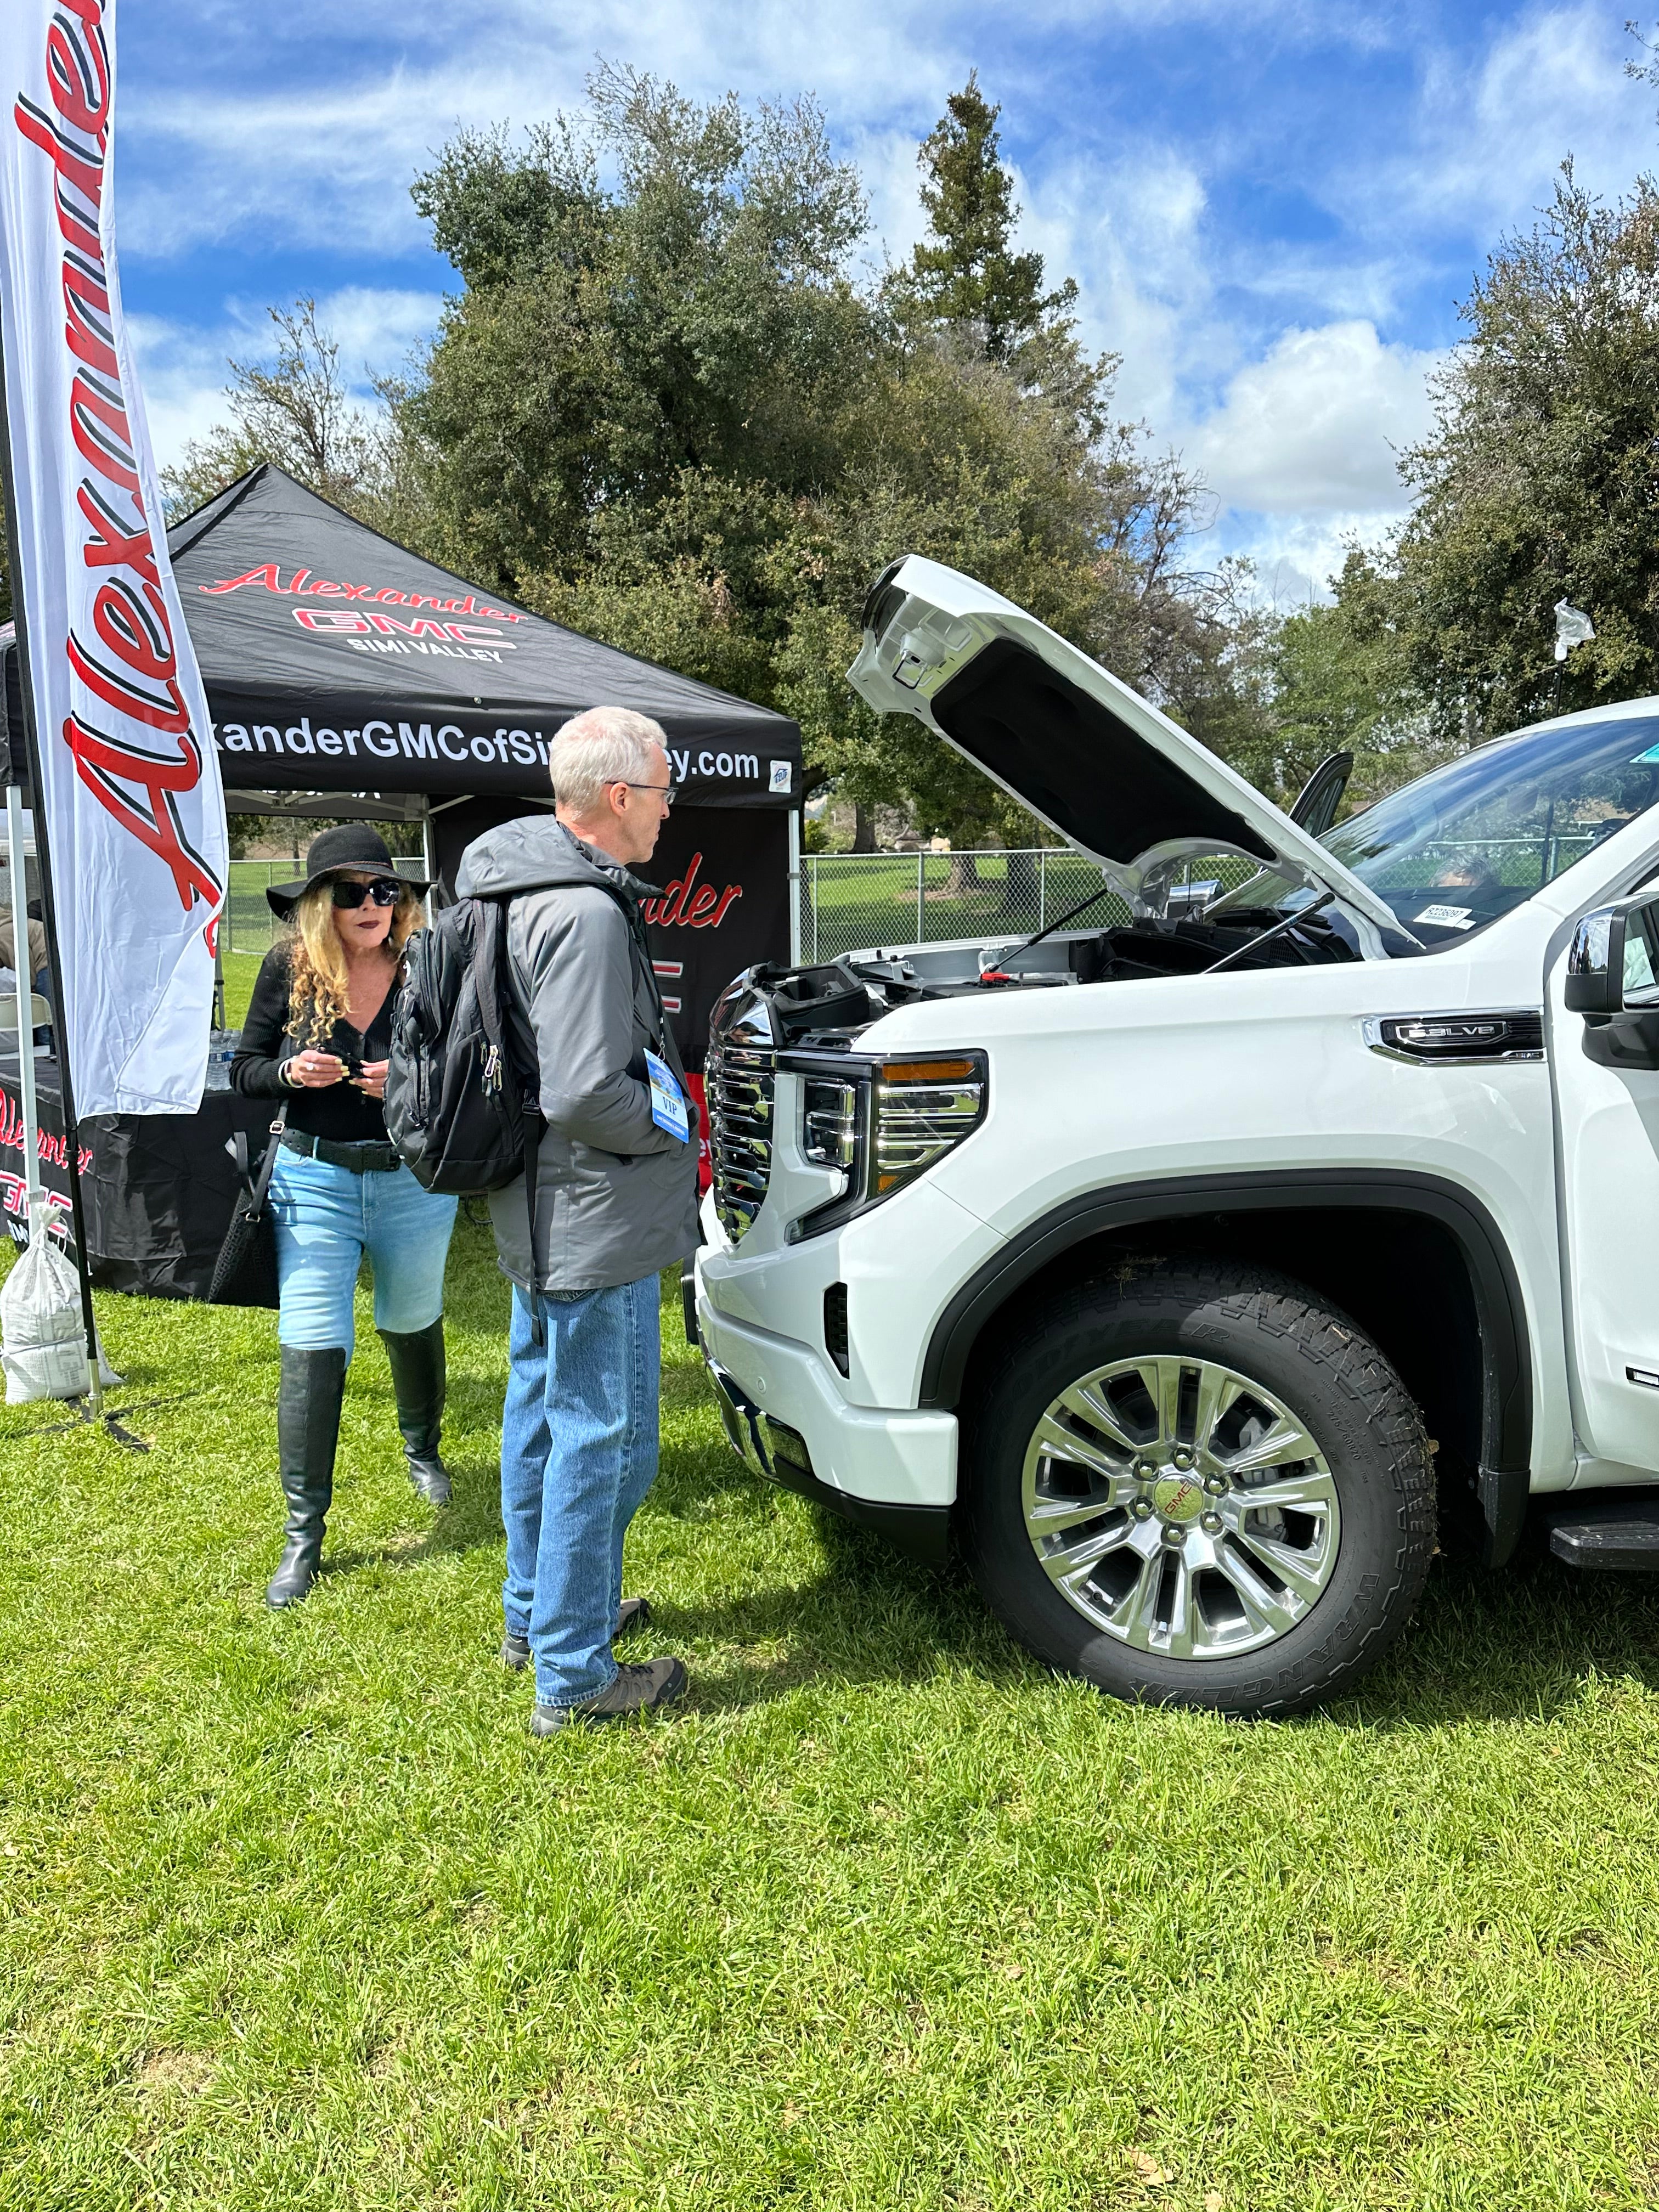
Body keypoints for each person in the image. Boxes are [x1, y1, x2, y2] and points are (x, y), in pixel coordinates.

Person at [456, 706, 699, 1734]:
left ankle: (541, 1616)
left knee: (540, 1415)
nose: (667, 811)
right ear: (616, 797)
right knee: (610, 1438)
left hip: (532, 1206)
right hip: (592, 1211)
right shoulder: (588, 912)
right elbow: (589, 1094)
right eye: (661, 791)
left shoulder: (504, 887)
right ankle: (575, 1674)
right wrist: (672, 1129)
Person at [231, 825, 460, 1609]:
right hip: (314, 1177)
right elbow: (245, 1068)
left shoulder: (427, 966)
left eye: (386, 891)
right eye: (353, 892)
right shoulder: (289, 970)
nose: (373, 905)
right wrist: (289, 1070)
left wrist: (412, 1077)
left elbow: (466, 1063)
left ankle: (422, 1448)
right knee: (312, 1339)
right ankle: (304, 1537)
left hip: (413, 1182)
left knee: (411, 1315)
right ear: (320, 905)